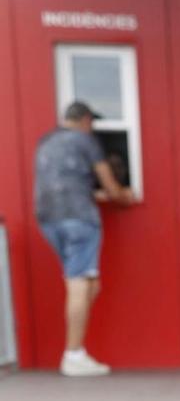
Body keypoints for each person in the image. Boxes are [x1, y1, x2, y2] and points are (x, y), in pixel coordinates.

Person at [32, 100, 136, 375]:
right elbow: (111, 186)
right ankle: (73, 355)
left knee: (90, 283)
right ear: (86, 119)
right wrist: (125, 195)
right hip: (79, 217)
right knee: (79, 283)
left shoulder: (46, 142)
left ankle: (76, 352)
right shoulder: (84, 140)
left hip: (47, 218)